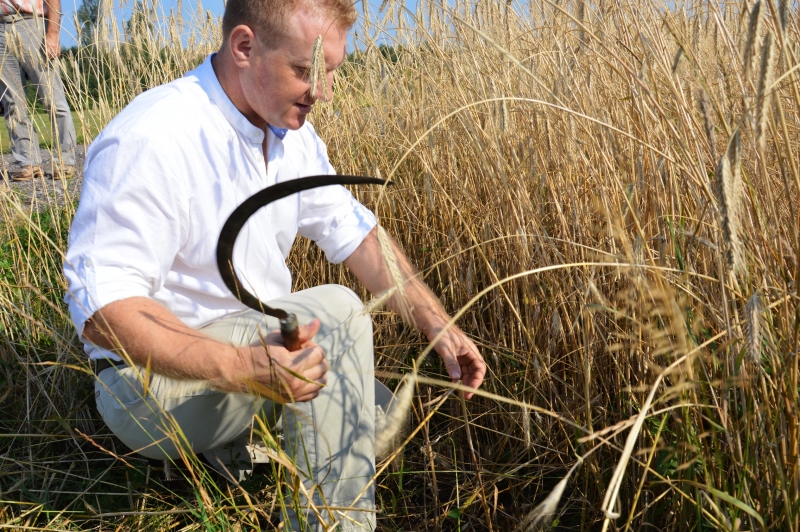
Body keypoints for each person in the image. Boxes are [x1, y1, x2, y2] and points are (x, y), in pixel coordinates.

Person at [63, 0, 486, 529]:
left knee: (376, 421)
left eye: (331, 72)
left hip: (246, 359)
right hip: (148, 387)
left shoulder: (293, 136)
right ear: (244, 48)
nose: (323, 93)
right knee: (336, 312)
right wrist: (242, 369)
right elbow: (103, 311)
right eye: (305, 71)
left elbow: (357, 235)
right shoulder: (155, 136)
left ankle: (236, 453)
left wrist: (436, 323)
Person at [0, 0, 76, 181]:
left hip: (31, 24)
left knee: (52, 97)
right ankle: (28, 163)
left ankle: (65, 161)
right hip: (1, 28)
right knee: (12, 102)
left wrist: (53, 34)